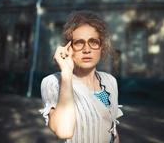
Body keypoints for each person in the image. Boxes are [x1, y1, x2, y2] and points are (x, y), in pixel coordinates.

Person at [40, 10, 123, 143]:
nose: (87, 49)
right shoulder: (53, 83)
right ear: (69, 48)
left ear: (102, 47)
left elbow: (112, 129)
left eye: (94, 42)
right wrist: (66, 74)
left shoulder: (109, 81)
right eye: (79, 42)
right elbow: (63, 131)